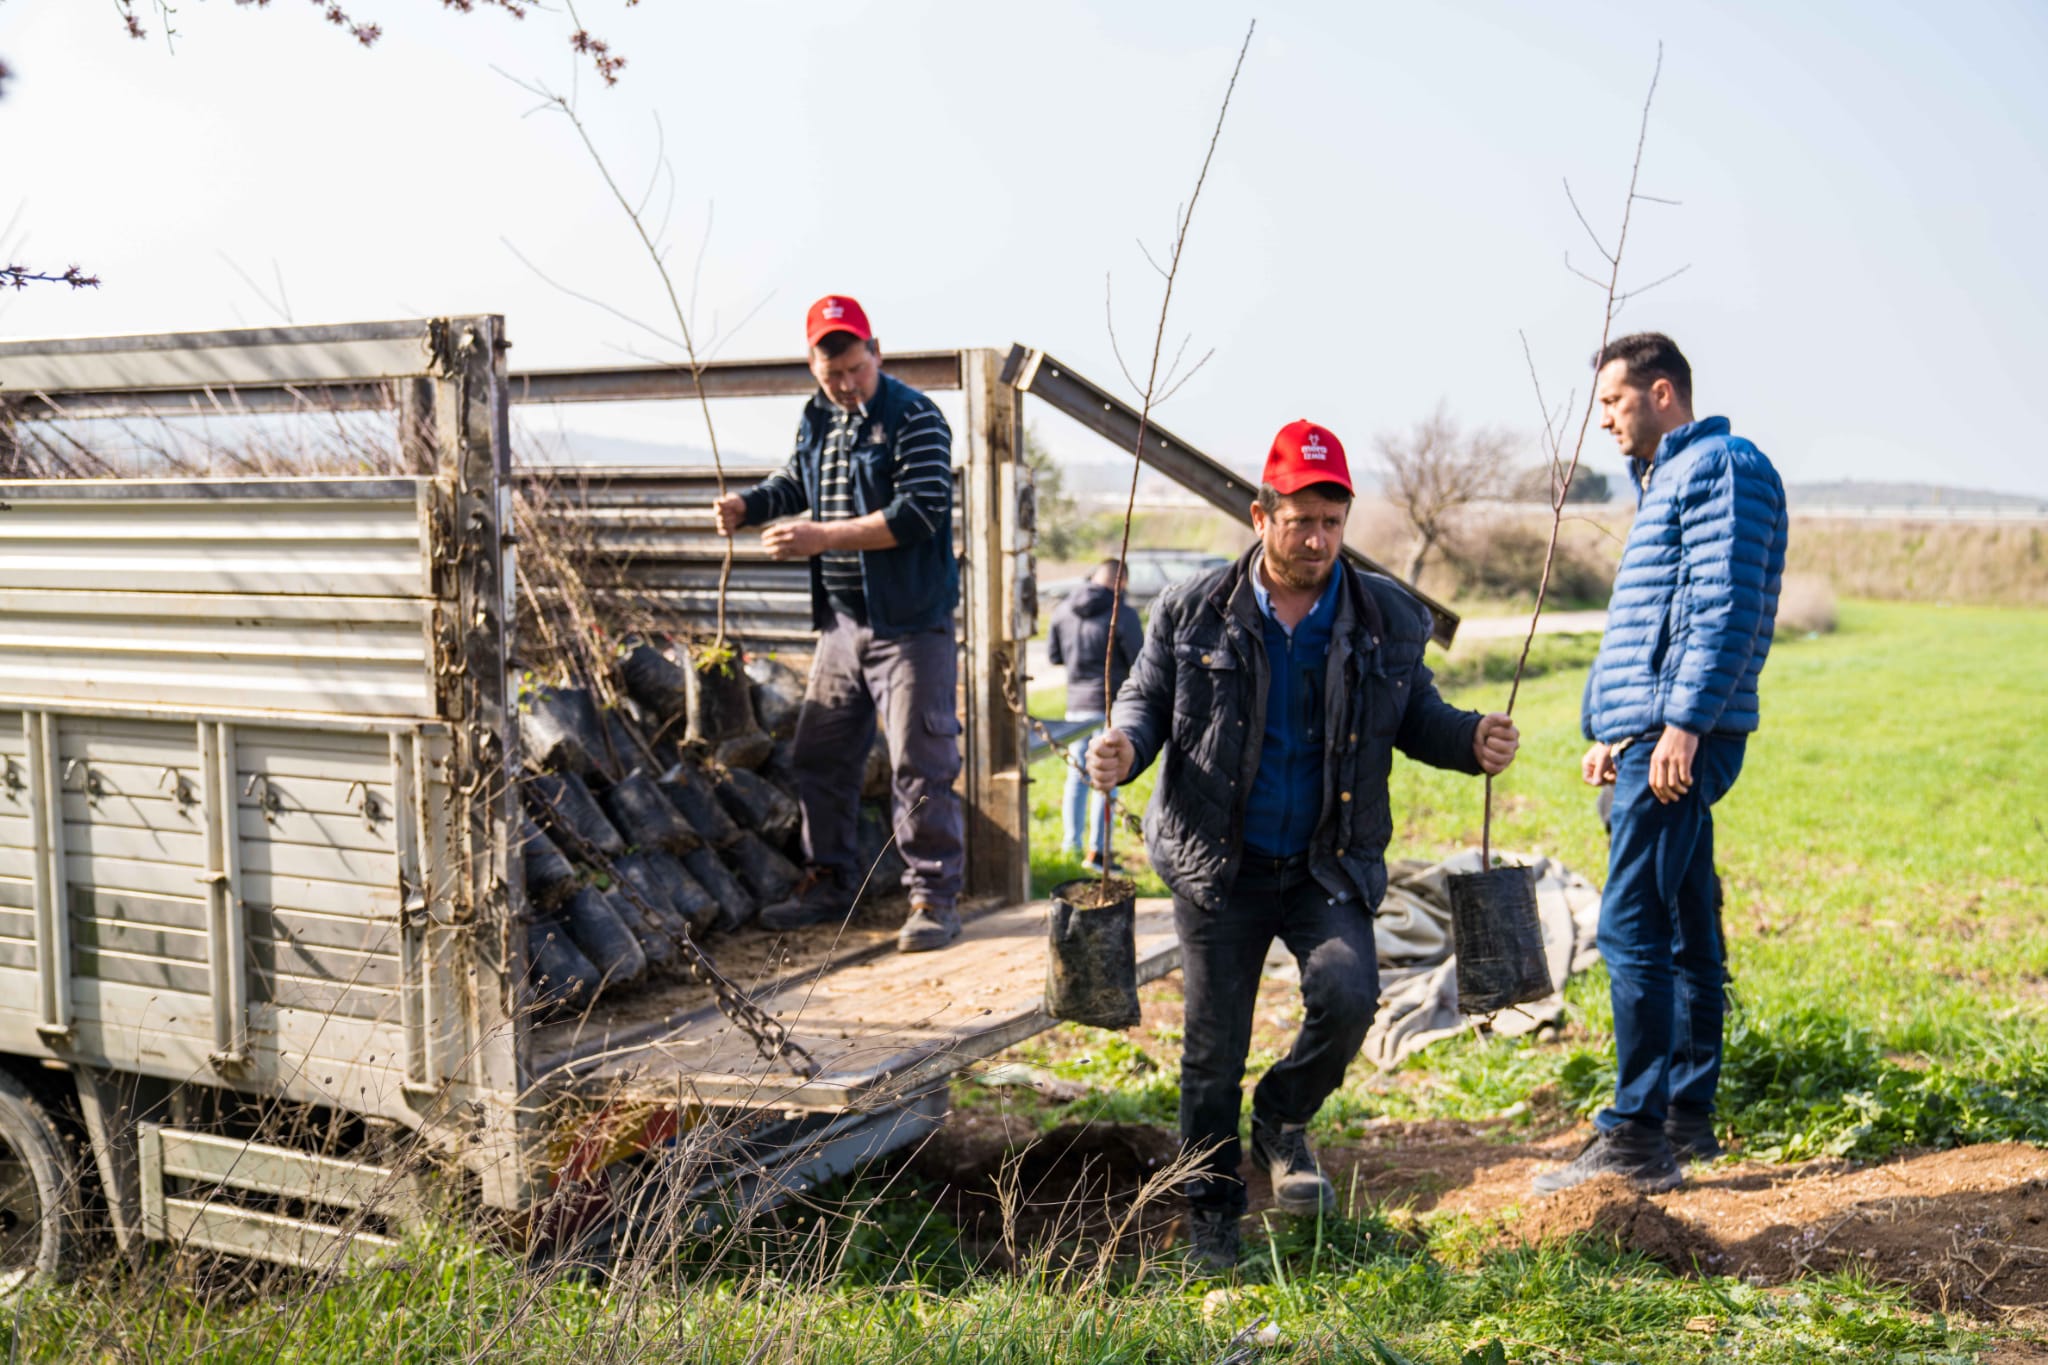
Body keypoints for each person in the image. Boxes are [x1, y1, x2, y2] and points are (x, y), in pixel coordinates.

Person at [1086, 420, 1520, 1270]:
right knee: (1213, 1049)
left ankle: (1283, 1116)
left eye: (1331, 520)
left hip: (1326, 860)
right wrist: (1123, 748)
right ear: (1260, 514)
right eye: (1299, 520)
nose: (1317, 538)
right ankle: (1212, 1207)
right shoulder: (1193, 608)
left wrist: (1471, 739)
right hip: (1221, 863)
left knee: (1350, 996)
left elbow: (1418, 715)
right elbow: (1144, 700)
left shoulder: (1387, 614)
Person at [1533, 333, 1787, 1195]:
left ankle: (1636, 1137)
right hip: (1653, 737)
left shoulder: (1723, 467)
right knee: (1682, 920)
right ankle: (1684, 1115)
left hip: (1681, 741)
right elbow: (1655, 623)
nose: (1602, 420)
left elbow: (1723, 605)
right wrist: (1615, 724)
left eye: (1613, 401)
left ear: (1663, 391)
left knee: (1631, 921)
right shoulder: (1672, 478)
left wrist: (1680, 724)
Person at [711, 295, 966, 954]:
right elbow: (798, 481)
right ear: (812, 368)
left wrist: (823, 537)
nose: (848, 384)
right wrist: (748, 504)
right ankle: (829, 881)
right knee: (820, 755)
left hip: (912, 625)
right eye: (833, 375)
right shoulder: (818, 417)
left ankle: (933, 898)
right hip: (843, 625)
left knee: (920, 760)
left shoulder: (915, 417)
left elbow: (921, 512)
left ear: (874, 351)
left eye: (856, 368)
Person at [1045, 558, 1143, 871]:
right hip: (1110, 705)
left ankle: (1070, 844)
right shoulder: (1122, 614)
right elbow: (1140, 661)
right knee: (1106, 778)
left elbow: (1053, 655)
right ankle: (1098, 852)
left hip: (1075, 704)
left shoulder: (1063, 610)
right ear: (1121, 583)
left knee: (1077, 774)